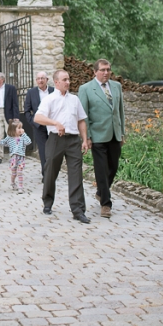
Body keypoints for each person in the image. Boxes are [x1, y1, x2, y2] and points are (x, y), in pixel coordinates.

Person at [34, 69, 90, 223]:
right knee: (50, 171)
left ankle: (78, 210)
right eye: (65, 80)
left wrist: (85, 139)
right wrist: (55, 123)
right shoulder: (49, 99)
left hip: (73, 140)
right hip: (55, 139)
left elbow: (81, 120)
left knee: (76, 174)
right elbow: (37, 117)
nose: (68, 82)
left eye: (68, 79)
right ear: (56, 82)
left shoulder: (75, 100)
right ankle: (47, 202)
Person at [78, 59, 125, 219]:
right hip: (97, 135)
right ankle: (106, 204)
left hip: (114, 134)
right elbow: (83, 115)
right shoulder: (86, 89)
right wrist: (87, 137)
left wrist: (122, 133)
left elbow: (120, 111)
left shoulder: (116, 86)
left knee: (113, 167)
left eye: (108, 70)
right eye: (103, 70)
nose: (106, 73)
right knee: (101, 169)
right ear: (95, 72)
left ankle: (100, 191)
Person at [24, 71, 54, 181]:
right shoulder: (31, 92)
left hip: (52, 125)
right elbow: (27, 110)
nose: (40, 80)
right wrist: (33, 122)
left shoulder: (53, 91)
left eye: (42, 78)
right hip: (39, 126)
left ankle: (52, 171)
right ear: (36, 80)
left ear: (47, 80)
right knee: (43, 151)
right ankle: (46, 175)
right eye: (38, 78)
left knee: (53, 151)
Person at [0, 72, 20, 164]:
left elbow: (15, 103)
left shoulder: (10, 88)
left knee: (11, 135)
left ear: (2, 79)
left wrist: (16, 117)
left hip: (9, 113)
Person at [0, 121, 32, 194]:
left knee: (20, 172)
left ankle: (20, 187)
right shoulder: (9, 138)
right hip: (13, 158)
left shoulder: (22, 137)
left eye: (21, 127)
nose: (21, 129)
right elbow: (3, 142)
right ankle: (12, 182)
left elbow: (28, 142)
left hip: (21, 158)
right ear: (13, 129)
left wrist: (24, 134)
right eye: (19, 128)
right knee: (14, 174)